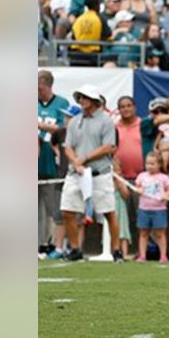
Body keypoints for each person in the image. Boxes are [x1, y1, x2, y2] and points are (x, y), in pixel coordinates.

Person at [60, 85, 121, 261]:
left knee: (108, 212)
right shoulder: (74, 121)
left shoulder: (106, 121)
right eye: (79, 97)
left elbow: (109, 146)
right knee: (67, 211)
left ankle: (116, 250)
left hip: (99, 172)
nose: (81, 100)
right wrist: (76, 162)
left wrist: (84, 158)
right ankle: (75, 248)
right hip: (76, 173)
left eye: (85, 97)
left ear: (94, 101)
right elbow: (68, 147)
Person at [38, 71, 71, 257]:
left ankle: (53, 244)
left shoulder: (61, 104)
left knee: (53, 207)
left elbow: (61, 128)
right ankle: (37, 244)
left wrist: (39, 126)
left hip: (51, 160)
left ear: (47, 85)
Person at [131, 152, 169, 263]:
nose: (149, 166)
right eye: (147, 163)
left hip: (159, 210)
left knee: (160, 233)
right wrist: (138, 190)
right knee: (143, 233)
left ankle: (163, 256)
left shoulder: (164, 178)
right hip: (144, 209)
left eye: (152, 164)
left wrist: (166, 195)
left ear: (159, 164)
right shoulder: (142, 176)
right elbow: (137, 188)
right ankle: (142, 256)